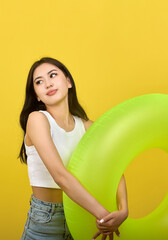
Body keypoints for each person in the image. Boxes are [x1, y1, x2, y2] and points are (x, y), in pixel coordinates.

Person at [18, 57, 128, 240]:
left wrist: (123, 209)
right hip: (47, 219)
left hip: (82, 215)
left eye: (53, 75)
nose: (47, 84)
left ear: (68, 81)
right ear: (37, 95)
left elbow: (115, 167)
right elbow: (60, 176)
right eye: (39, 82)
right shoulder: (37, 119)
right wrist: (103, 216)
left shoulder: (87, 127)